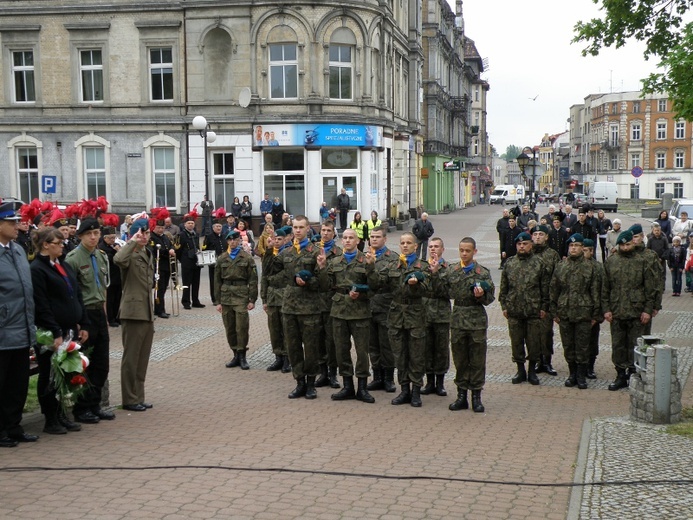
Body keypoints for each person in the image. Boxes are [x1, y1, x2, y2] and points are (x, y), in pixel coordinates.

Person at [31, 228, 90, 434]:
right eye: (58, 242)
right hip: (50, 332)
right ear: (46, 245)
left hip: (69, 328)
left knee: (65, 372)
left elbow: (76, 293)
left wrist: (82, 321)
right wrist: (55, 331)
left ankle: (62, 413)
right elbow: (42, 303)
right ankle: (50, 418)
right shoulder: (38, 269)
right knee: (49, 374)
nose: (62, 245)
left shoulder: (62, 265)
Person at [430, 237, 494, 413]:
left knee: (477, 360)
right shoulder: (452, 270)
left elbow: (490, 299)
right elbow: (440, 291)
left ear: (474, 252)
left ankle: (477, 397)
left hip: (476, 320)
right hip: (458, 318)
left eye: (468, 251)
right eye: (461, 250)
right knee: (460, 359)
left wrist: (481, 295)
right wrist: (435, 274)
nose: (464, 253)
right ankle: (461, 396)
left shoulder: (482, 272)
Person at [317, 228, 378, 403]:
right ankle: (348, 386)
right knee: (341, 350)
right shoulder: (335, 261)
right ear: (341, 241)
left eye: (351, 238)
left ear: (358, 241)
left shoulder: (365, 260)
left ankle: (363, 388)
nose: (348, 241)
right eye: (345, 238)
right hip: (339, 312)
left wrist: (371, 268)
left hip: (360, 312)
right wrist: (321, 268)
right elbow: (325, 286)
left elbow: (375, 287)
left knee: (362, 352)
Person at [267, 216, 323, 399]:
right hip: (290, 307)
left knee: (311, 348)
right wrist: (270, 250)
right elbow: (271, 272)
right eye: (295, 228)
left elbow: (325, 283)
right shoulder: (287, 252)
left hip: (310, 308)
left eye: (301, 227)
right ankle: (299, 382)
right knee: (293, 347)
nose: (298, 231)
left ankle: (311, 383)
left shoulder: (316, 252)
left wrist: (309, 279)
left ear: (308, 229)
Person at [64, 217, 113, 424]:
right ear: (81, 236)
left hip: (98, 313)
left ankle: (95, 404)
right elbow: (71, 293)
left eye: (96, 233)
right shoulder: (73, 258)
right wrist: (78, 321)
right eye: (89, 234)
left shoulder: (101, 256)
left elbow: (103, 288)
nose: (94, 237)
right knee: (84, 361)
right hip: (83, 314)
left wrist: (105, 315)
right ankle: (82, 407)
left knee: (101, 363)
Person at [376, 232, 430, 407]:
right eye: (402, 243)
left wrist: (417, 285)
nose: (405, 245)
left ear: (416, 246)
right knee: (399, 354)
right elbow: (378, 283)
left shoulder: (423, 266)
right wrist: (370, 267)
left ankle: (416, 391)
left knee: (416, 354)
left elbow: (428, 287)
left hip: (415, 314)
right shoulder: (393, 265)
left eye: (409, 243)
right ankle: (404, 389)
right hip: (396, 314)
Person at [0, 200, 38, 447]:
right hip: (3, 331)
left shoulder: (17, 250)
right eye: (11, 222)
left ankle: (14, 426)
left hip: (22, 329)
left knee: (18, 384)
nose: (17, 225)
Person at [602, 230, 657, 391]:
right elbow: (605, 288)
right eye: (622, 245)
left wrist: (648, 310)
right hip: (617, 310)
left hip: (636, 311)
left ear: (633, 243)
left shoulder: (642, 261)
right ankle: (620, 375)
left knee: (635, 344)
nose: (625, 247)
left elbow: (650, 288)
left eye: (627, 244)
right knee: (618, 345)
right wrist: (606, 309)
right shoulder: (611, 261)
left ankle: (635, 374)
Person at [550, 234, 601, 390]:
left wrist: (595, 314)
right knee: (568, 345)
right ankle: (572, 374)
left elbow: (595, 292)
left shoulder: (590, 266)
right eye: (571, 246)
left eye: (577, 246)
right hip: (564, 311)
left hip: (583, 312)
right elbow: (554, 289)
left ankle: (581, 375)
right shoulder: (561, 266)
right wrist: (554, 311)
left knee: (583, 345)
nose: (574, 248)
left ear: (582, 248)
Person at [114, 220, 155, 411]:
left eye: (147, 233)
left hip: (146, 311)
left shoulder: (147, 253)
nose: (145, 237)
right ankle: (129, 399)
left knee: (142, 358)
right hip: (132, 312)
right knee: (131, 358)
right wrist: (132, 241)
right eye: (141, 233)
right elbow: (118, 260)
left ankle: (138, 396)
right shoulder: (130, 252)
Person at [499, 232, 549, 386]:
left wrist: (544, 307)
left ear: (531, 245)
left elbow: (545, 288)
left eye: (525, 244)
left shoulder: (539, 263)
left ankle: (532, 371)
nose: (522, 246)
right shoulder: (509, 263)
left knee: (534, 343)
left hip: (533, 311)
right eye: (519, 244)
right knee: (516, 342)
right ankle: (520, 370)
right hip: (514, 311)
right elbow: (504, 288)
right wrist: (504, 306)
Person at [214, 230, 258, 370]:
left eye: (235, 240)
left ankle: (242, 355)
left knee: (242, 327)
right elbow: (217, 281)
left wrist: (252, 299)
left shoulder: (246, 258)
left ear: (239, 240)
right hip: (226, 295)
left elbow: (253, 280)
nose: (233, 242)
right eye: (230, 240)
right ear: (227, 241)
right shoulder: (222, 258)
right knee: (230, 328)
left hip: (241, 295)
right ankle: (235, 354)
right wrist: (218, 301)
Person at [365, 226, 397, 393]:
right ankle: (377, 376)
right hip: (368, 306)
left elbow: (390, 283)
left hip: (385, 306)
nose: (374, 239)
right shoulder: (363, 257)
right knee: (372, 345)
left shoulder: (392, 258)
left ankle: (389, 378)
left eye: (377, 236)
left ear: (385, 239)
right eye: (372, 237)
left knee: (387, 344)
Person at [314, 220, 343, 389]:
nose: (325, 233)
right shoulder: (313, 252)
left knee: (332, 340)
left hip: (333, 302)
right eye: (323, 230)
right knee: (318, 339)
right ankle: (322, 372)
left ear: (333, 233)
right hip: (316, 302)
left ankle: (333, 373)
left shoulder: (339, 253)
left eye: (328, 231)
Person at [420, 238, 451, 397]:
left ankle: (440, 383)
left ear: (442, 249)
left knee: (441, 349)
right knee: (426, 349)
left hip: (441, 314)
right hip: (424, 314)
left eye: (436, 246)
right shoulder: (422, 267)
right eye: (430, 246)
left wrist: (436, 273)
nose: (433, 249)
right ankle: (429, 381)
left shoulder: (448, 269)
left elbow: (447, 292)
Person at [531, 224, 561, 376]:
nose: (537, 237)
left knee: (546, 333)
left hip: (547, 302)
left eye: (541, 234)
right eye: (535, 234)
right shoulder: (527, 253)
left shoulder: (552, 255)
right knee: (532, 334)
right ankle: (535, 361)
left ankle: (547, 361)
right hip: (530, 303)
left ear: (546, 237)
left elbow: (557, 280)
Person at [261, 228, 291, 373]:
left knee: (287, 329)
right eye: (275, 239)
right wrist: (264, 299)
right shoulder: (269, 255)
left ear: (285, 240)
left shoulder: (289, 253)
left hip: (285, 295)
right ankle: (278, 356)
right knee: (274, 329)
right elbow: (264, 277)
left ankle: (287, 358)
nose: (277, 241)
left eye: (279, 239)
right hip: (272, 296)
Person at [582, 239, 604, 379]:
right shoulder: (574, 266)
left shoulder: (599, 268)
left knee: (592, 342)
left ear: (591, 251)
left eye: (586, 250)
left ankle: (590, 367)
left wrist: (598, 315)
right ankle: (579, 368)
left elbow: (603, 291)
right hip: (578, 311)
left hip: (593, 312)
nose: (583, 252)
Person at [176, 211, 205, 310]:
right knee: (186, 283)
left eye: (192, 223)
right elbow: (178, 250)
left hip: (196, 261)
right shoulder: (181, 235)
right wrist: (183, 259)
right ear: (185, 225)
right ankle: (186, 301)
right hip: (187, 262)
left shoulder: (196, 234)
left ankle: (195, 301)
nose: (191, 225)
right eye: (189, 223)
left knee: (196, 282)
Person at [99, 225, 122, 326]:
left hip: (118, 276)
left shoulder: (115, 245)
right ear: (105, 238)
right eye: (111, 238)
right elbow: (108, 259)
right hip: (110, 277)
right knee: (110, 299)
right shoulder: (102, 247)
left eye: (114, 237)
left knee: (118, 298)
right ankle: (111, 318)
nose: (113, 240)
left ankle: (117, 317)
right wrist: (115, 251)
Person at [203, 221, 225, 307]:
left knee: (223, 280)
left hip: (223, 262)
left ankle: (223, 298)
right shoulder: (208, 237)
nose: (219, 228)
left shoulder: (224, 236)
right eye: (217, 226)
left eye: (220, 226)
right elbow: (204, 249)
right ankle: (215, 299)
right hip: (213, 262)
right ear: (213, 228)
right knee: (214, 281)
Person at [646, 222, 669, 287]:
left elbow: (667, 249)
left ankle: (662, 287)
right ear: (653, 231)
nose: (656, 232)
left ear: (660, 231)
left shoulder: (664, 239)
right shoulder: (650, 239)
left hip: (662, 259)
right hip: (653, 260)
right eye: (655, 230)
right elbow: (648, 249)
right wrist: (653, 257)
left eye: (658, 230)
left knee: (662, 274)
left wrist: (662, 258)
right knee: (653, 273)